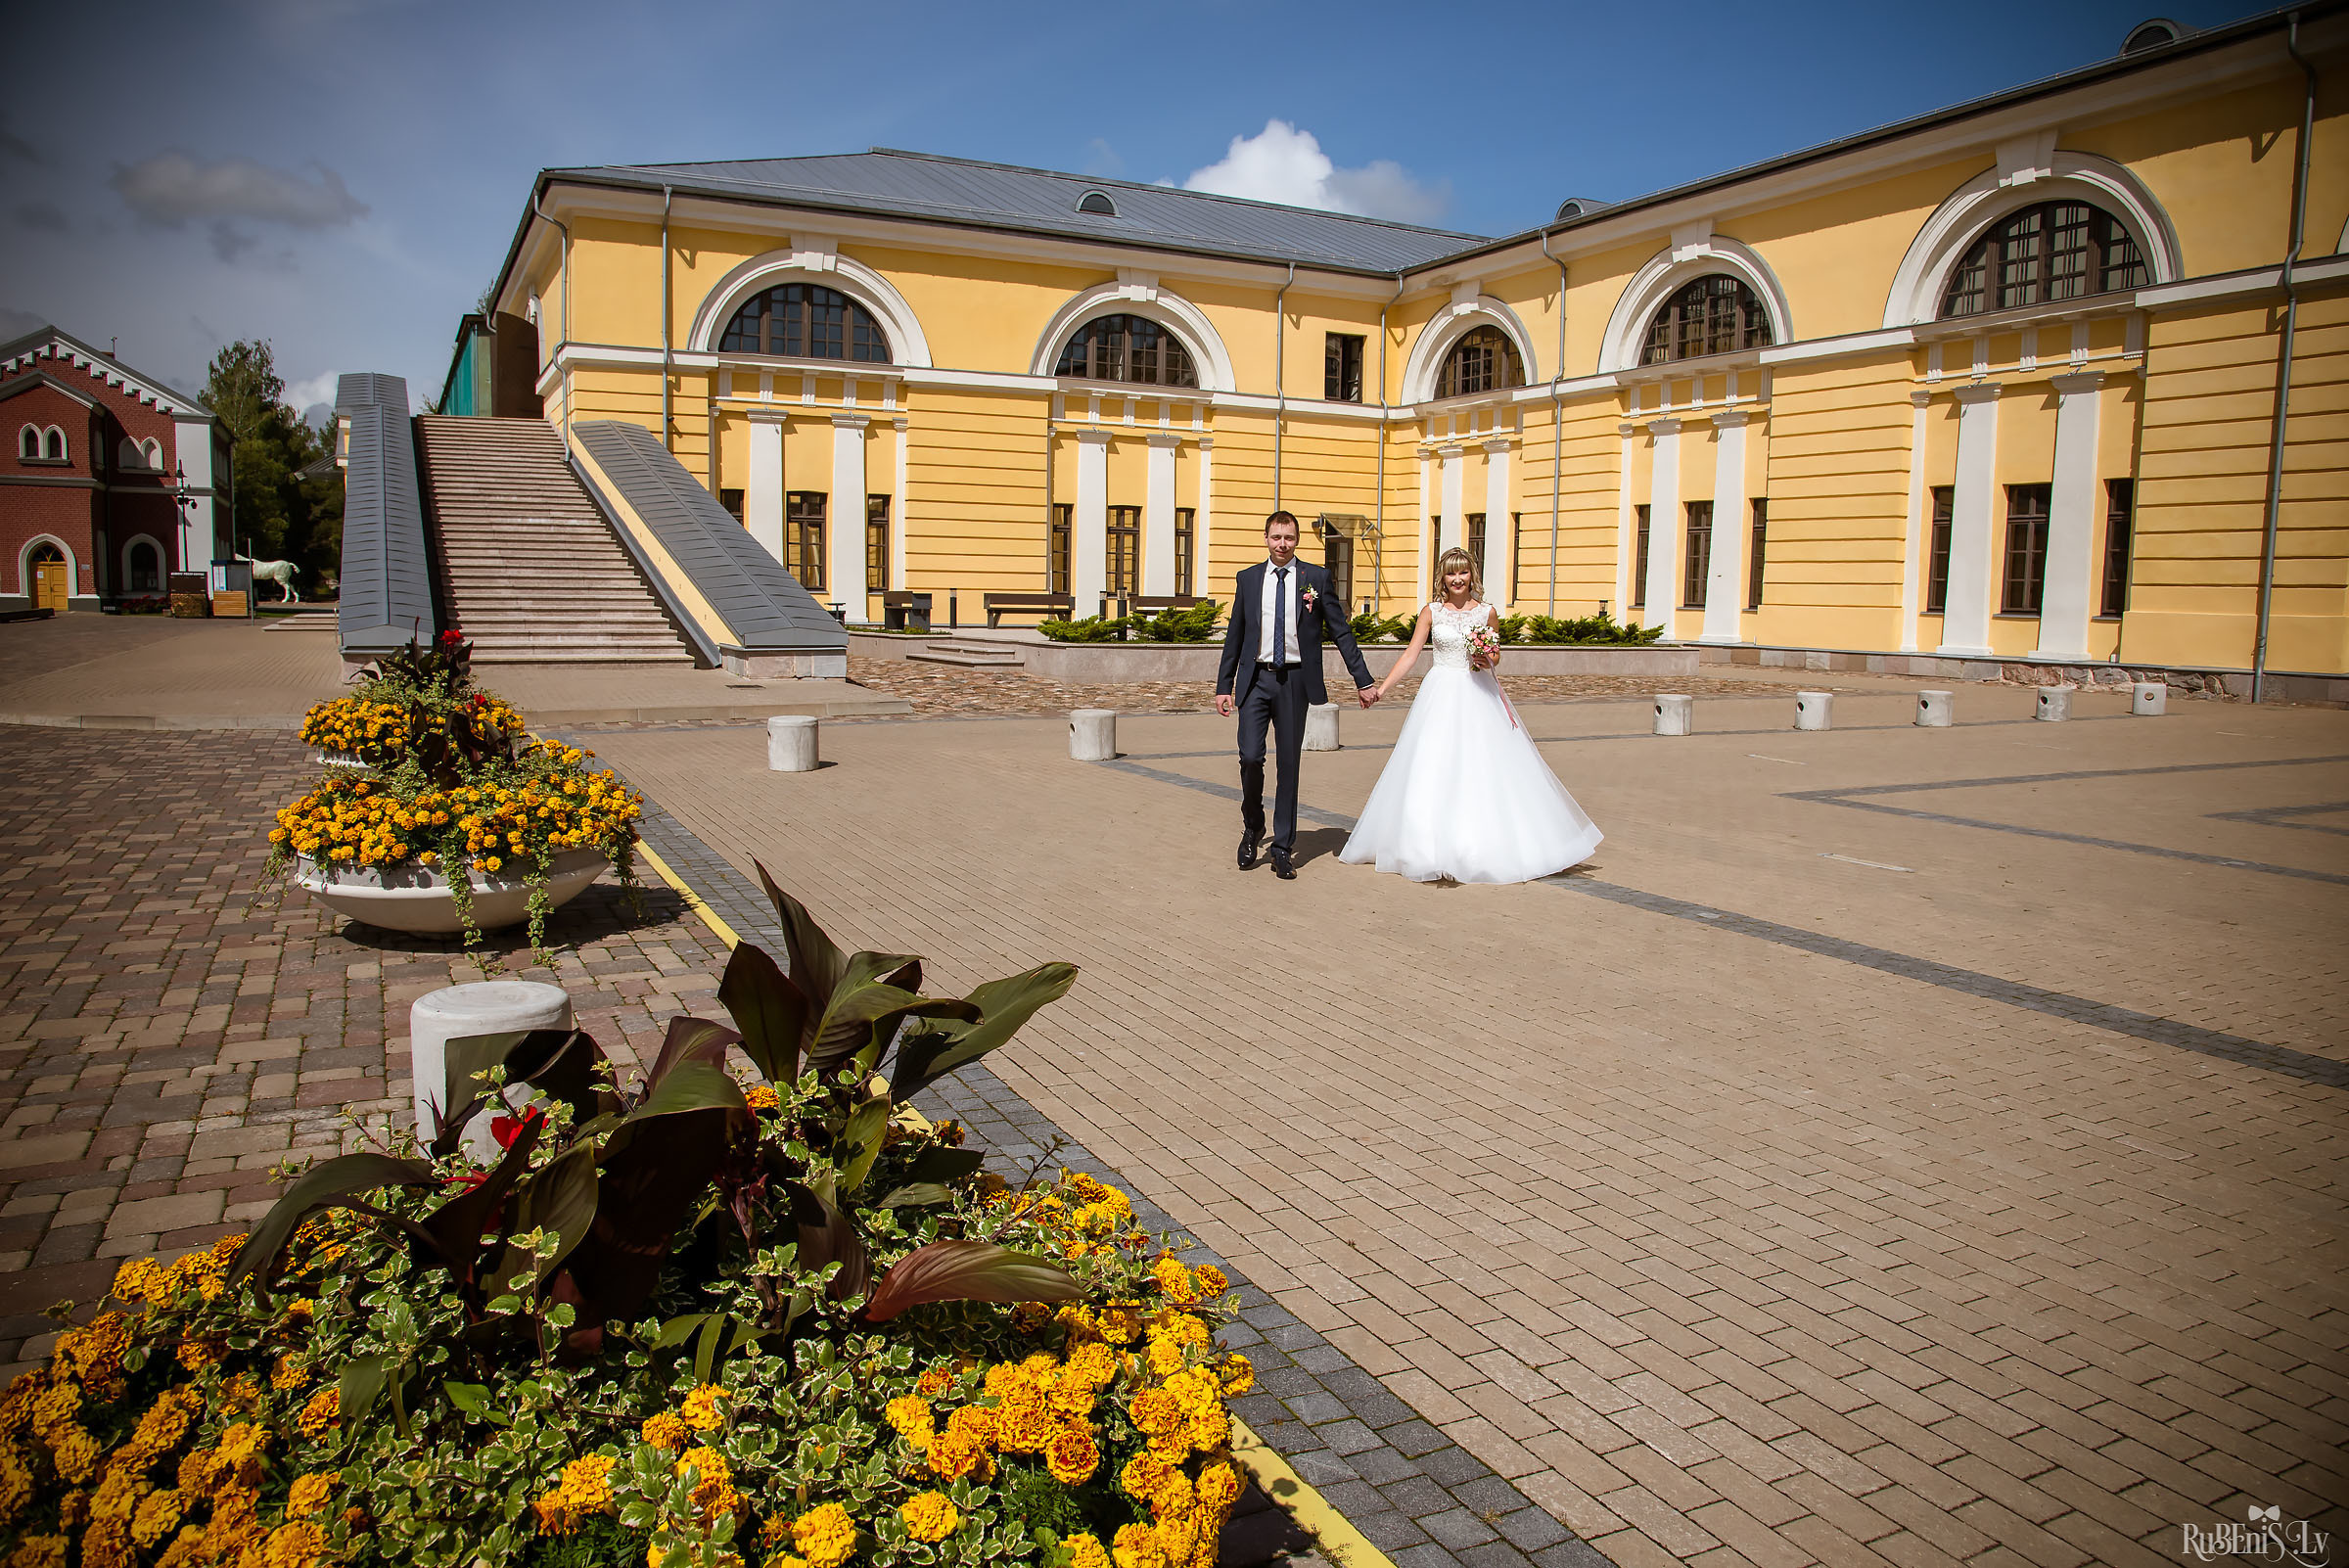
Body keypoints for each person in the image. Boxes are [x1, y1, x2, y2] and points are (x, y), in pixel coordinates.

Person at [1338, 546, 1602, 884]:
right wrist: (1382, 689)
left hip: (1479, 694)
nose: (1458, 579)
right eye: (1451, 573)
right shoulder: (1431, 612)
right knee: (1433, 766)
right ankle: (1426, 848)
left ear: (1472, 576)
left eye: (1463, 572)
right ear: (1443, 578)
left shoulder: (1487, 612)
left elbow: (1496, 654)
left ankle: (1485, 844)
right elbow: (1410, 655)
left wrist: (1487, 659)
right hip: (1440, 694)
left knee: (1484, 767)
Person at [1215, 511, 1379, 880]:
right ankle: (1253, 824)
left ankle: (1282, 846)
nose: (1282, 544)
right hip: (1256, 680)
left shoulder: (1315, 578)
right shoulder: (1249, 579)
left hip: (1294, 683)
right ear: (1266, 538)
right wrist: (1224, 685)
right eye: (1276, 537)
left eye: (1289, 538)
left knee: (1288, 765)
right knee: (1250, 757)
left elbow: (1340, 630)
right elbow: (1235, 634)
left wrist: (1363, 679)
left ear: (1297, 540)